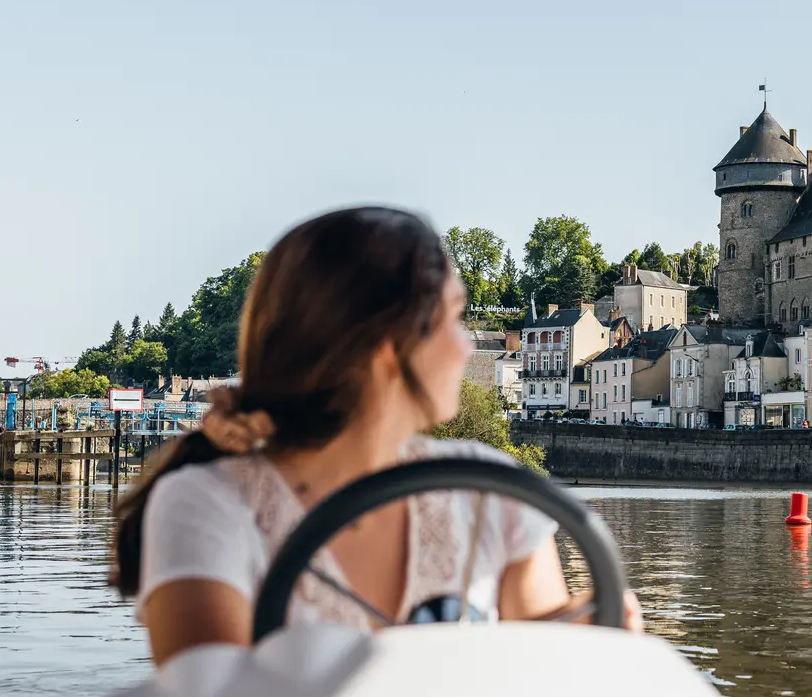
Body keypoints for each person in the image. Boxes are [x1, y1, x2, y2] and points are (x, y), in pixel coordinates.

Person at [112, 206, 637, 666]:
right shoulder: (204, 504)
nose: (465, 346)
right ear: (390, 347)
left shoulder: (492, 492)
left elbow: (543, 687)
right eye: (455, 319)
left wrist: (580, 640)